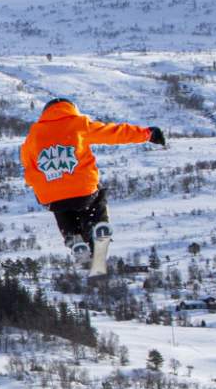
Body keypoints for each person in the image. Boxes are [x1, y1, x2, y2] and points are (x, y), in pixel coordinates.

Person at [20, 97, 162, 267]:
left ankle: (72, 237)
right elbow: (113, 133)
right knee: (96, 198)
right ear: (71, 109)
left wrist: (41, 185)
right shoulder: (79, 125)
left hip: (51, 196)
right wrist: (147, 134)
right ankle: (96, 227)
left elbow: (28, 168)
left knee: (60, 206)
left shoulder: (33, 135)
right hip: (83, 190)